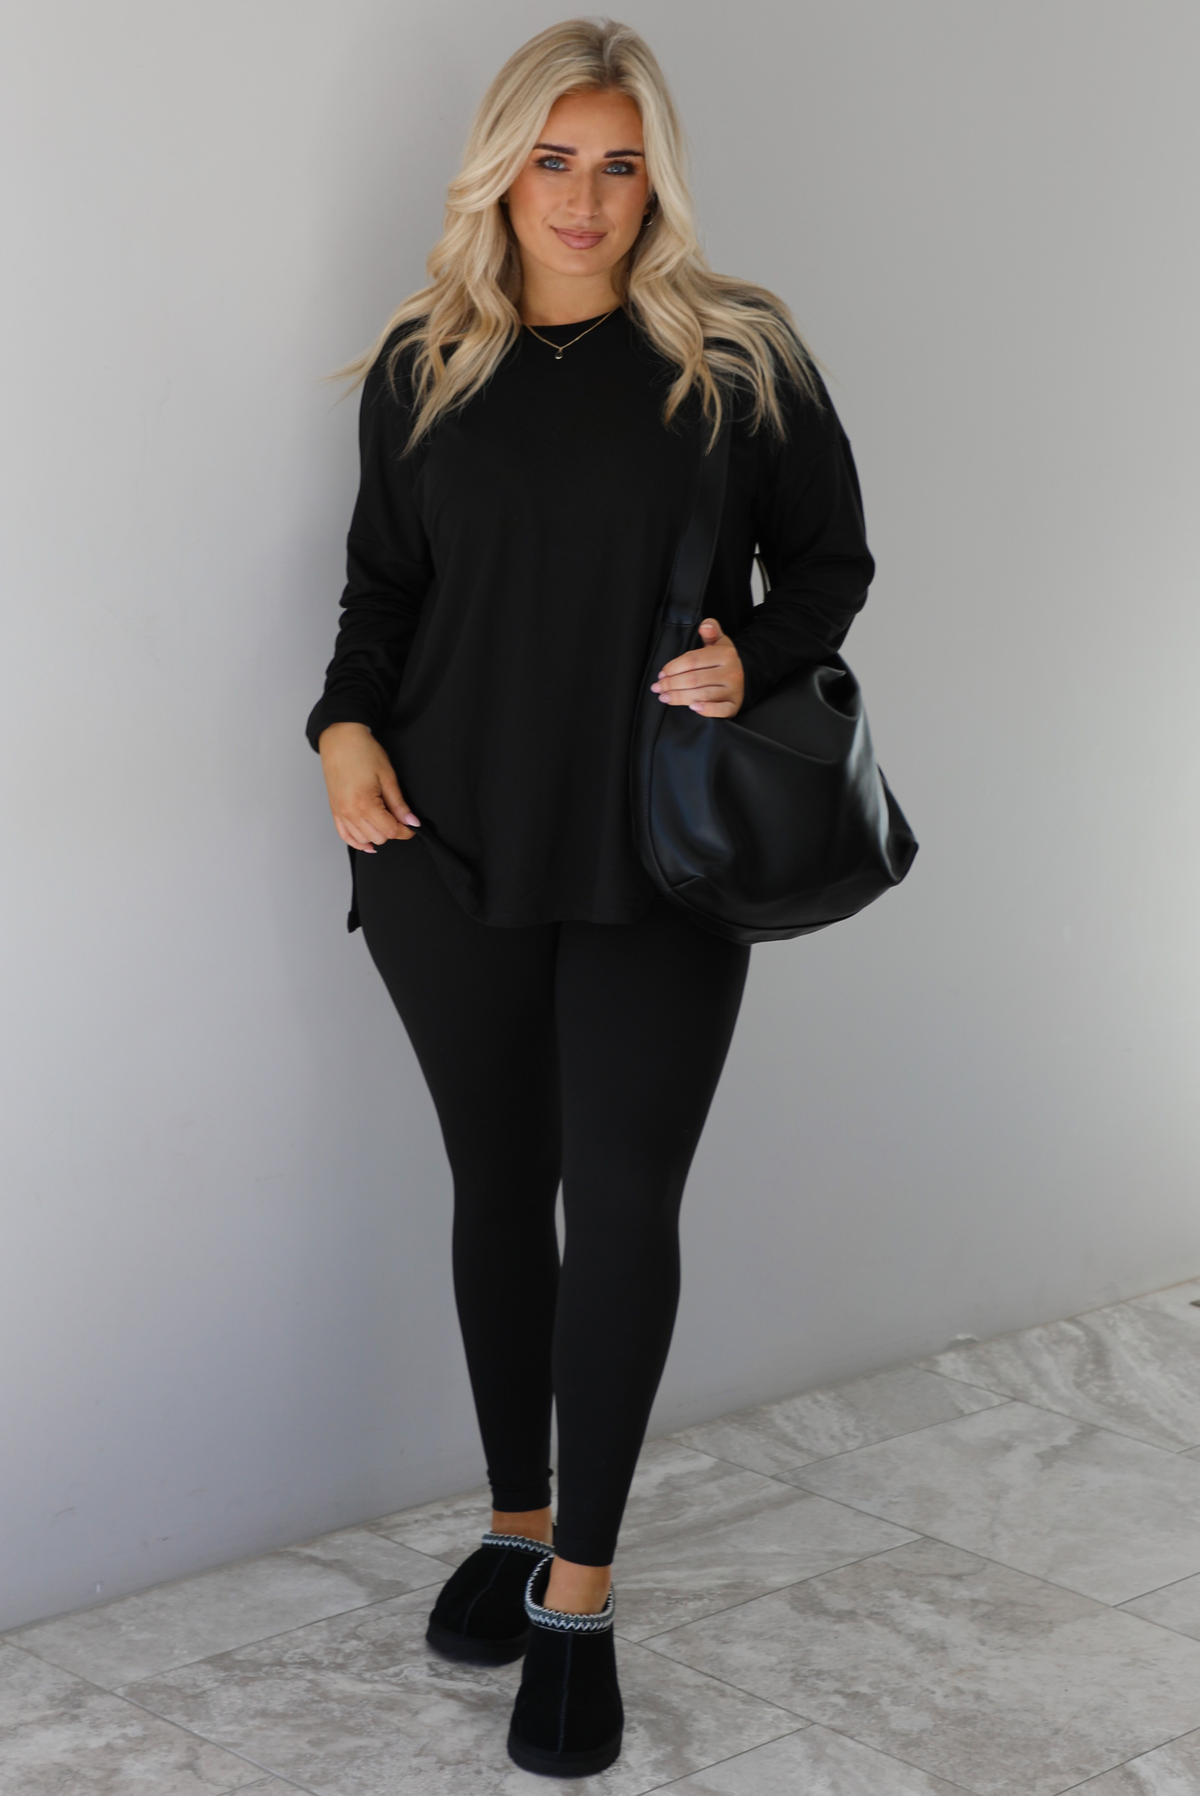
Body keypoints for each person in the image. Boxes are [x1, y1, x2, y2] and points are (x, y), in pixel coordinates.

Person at [306, 17, 873, 1778]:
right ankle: (512, 1514)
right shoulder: (427, 364)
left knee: (620, 1202)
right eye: (554, 158)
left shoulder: (736, 353)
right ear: (502, 169)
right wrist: (336, 729)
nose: (585, 197)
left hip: (656, 852)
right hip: (441, 847)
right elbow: (379, 597)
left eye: (618, 162)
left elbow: (833, 559)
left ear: (659, 179)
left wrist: (744, 662)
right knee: (500, 1183)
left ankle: (581, 1592)